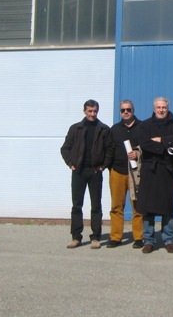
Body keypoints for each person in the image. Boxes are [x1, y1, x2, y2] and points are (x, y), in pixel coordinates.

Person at [60, 99, 114, 249]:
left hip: (95, 172)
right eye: (90, 111)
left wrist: (103, 166)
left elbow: (110, 150)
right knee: (77, 205)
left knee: (96, 205)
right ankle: (76, 237)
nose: (92, 114)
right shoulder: (75, 129)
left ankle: (95, 237)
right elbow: (65, 148)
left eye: (95, 111)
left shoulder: (103, 129)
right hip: (79, 172)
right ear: (84, 111)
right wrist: (71, 163)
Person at [136, 97, 173, 254]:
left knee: (168, 207)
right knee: (147, 208)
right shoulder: (145, 125)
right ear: (154, 108)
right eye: (159, 107)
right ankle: (148, 240)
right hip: (150, 170)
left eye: (164, 107)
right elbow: (144, 143)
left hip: (167, 170)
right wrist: (165, 146)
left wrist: (161, 140)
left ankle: (169, 239)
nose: (161, 110)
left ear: (168, 108)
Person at [107, 100, 144, 248]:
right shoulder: (115, 129)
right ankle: (115, 237)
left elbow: (147, 147)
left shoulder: (142, 127)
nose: (126, 112)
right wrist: (108, 167)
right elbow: (109, 149)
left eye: (128, 109)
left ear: (133, 110)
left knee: (138, 206)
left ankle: (139, 237)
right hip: (117, 171)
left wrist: (138, 153)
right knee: (116, 206)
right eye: (123, 110)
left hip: (136, 172)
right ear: (120, 112)